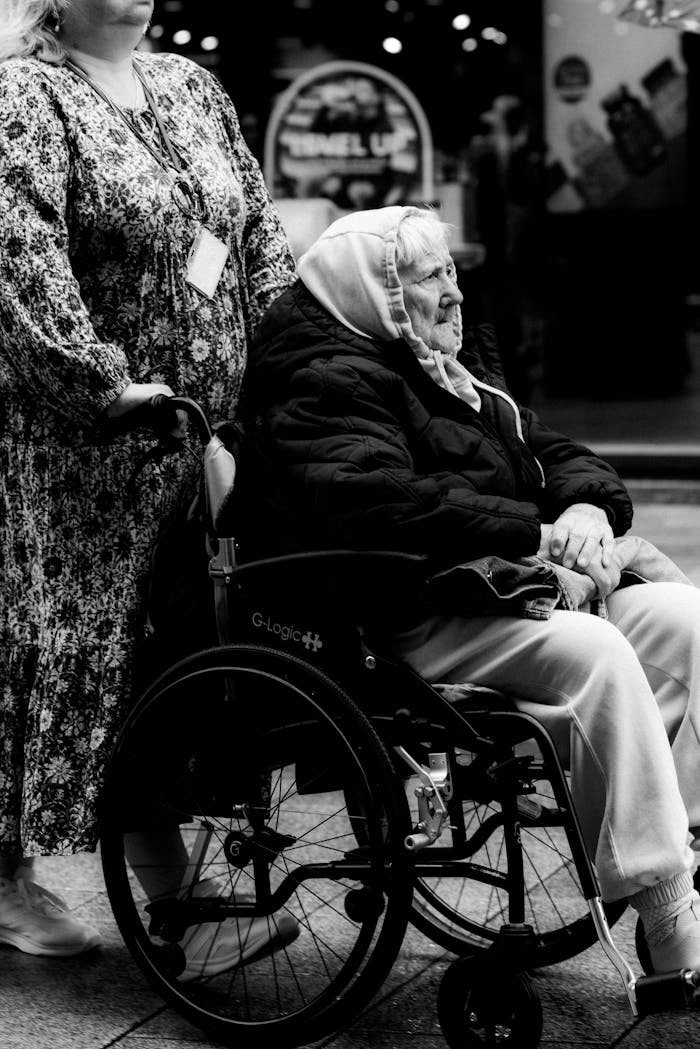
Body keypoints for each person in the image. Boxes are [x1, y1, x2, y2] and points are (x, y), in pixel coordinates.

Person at [236, 204, 700, 977]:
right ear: (378, 295)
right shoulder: (321, 378)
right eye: (427, 279)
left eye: (451, 272)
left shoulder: (446, 362)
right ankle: (668, 911)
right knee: (599, 652)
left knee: (685, 621)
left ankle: (679, 840)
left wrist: (586, 507)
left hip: (499, 584)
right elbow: (382, 503)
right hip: (410, 608)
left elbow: (546, 450)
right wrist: (536, 532)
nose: (453, 293)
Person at [0, 0, 296, 963]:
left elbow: (253, 237)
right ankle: (7, 879)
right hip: (83, 454)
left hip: (203, 445)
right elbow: (21, 262)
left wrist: (299, 362)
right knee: (74, 650)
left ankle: (174, 891)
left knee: (165, 657)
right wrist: (103, 383)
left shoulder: (191, 88)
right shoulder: (24, 97)